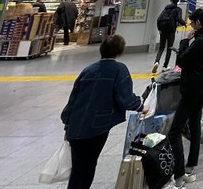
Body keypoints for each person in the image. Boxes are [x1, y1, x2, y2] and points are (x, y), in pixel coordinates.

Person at [61, 35, 147, 189]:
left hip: (76, 125)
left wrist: (67, 123)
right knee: (88, 166)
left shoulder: (87, 70)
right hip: (97, 126)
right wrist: (141, 106)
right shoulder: (119, 70)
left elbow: (73, 99)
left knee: (78, 169)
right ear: (120, 51)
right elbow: (125, 98)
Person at [168, 8, 203, 188]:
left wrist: (185, 41)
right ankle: (190, 166)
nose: (190, 25)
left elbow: (181, 60)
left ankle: (180, 175)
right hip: (200, 88)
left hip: (191, 89)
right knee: (195, 125)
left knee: (175, 131)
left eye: (191, 22)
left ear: (198, 22)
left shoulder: (200, 41)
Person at [153, 0, 188, 74]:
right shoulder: (178, 9)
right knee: (169, 48)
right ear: (177, 2)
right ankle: (165, 66)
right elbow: (179, 18)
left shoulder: (166, 9)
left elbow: (159, 19)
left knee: (161, 48)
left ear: (171, 1)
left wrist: (159, 29)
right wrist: (184, 24)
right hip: (171, 31)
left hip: (163, 31)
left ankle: (157, 62)